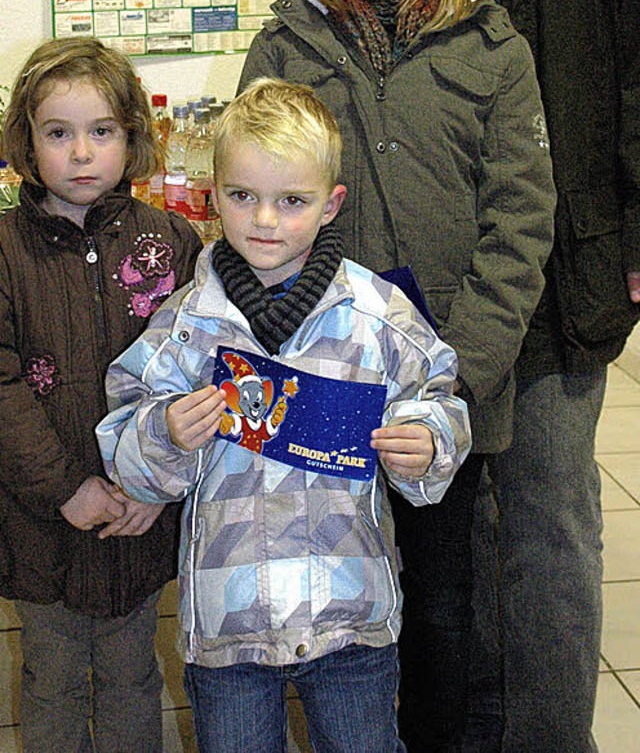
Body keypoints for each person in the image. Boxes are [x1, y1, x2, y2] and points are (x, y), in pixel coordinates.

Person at [297, 0, 640, 753]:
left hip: (557, 265)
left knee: (544, 525)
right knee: (426, 533)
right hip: (395, 285)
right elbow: (314, 66)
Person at [238, 0, 557, 751]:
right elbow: (251, 207)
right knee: (325, 601)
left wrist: (457, 381)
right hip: (316, 384)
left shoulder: (494, 52)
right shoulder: (288, 46)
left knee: (441, 605)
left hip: (438, 395)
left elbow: (520, 226)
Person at [97, 77, 472, 753]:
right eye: (243, 197)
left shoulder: (375, 314)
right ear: (214, 196)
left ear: (331, 205)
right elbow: (126, 436)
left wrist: (430, 442)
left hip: (350, 615)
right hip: (229, 626)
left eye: (291, 202)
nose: (264, 221)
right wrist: (164, 433)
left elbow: (439, 395)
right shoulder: (188, 324)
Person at [0, 37, 202, 753]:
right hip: (42, 525)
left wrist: (157, 485)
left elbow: (202, 369)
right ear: (26, 141)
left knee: (132, 676)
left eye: (101, 132)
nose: (82, 154)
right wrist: (65, 488)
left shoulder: (172, 241)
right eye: (59, 134)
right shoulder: (4, 249)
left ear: (131, 137)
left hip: (138, 525)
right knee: (51, 680)